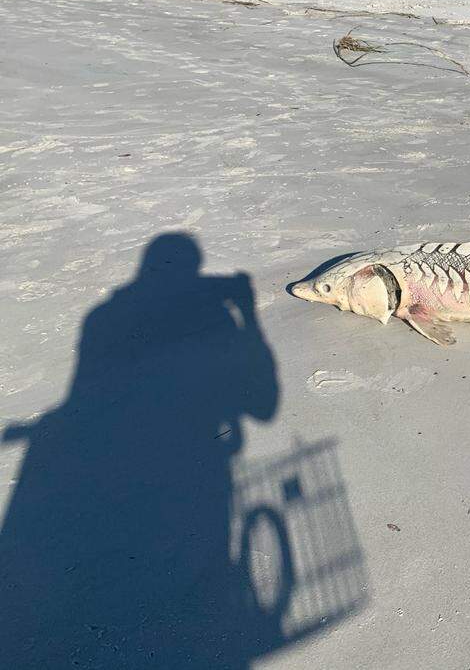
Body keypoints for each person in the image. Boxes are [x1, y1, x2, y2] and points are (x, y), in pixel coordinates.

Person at [0, 233, 284, 668]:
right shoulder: (215, 316)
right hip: (193, 468)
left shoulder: (100, 318)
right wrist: (248, 314)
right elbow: (263, 406)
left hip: (116, 470)